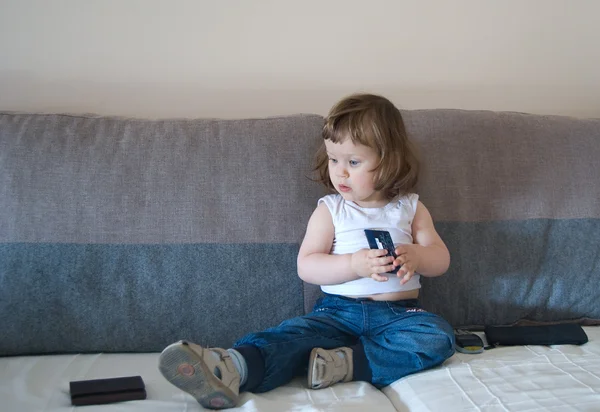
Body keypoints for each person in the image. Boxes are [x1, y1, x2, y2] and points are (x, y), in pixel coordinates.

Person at [158, 93, 455, 410]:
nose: (339, 172)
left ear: (390, 160)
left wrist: (418, 256)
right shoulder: (331, 211)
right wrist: (353, 264)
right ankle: (232, 367)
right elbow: (308, 266)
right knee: (293, 336)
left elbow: (441, 258)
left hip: (399, 317)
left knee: (437, 336)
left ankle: (347, 364)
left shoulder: (409, 207)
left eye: (353, 162)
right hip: (337, 314)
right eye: (333, 159)